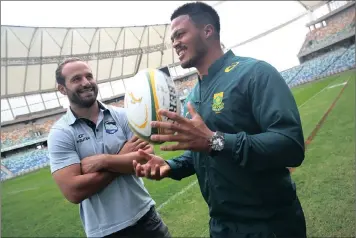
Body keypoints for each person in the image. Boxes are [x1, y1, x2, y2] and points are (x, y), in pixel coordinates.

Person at [133, 2, 307, 238]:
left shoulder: (255, 73)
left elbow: (290, 146)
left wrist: (215, 141)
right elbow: (201, 152)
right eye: (172, 38)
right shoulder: (194, 95)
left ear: (207, 31)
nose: (174, 43)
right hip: (221, 227)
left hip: (269, 225)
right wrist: (170, 166)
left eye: (180, 34)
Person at [47, 58, 171, 238]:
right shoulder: (60, 133)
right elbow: (73, 191)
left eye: (89, 76)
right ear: (62, 89)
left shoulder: (123, 115)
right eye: (76, 79)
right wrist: (123, 158)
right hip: (104, 232)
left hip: (146, 218)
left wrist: (103, 161)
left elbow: (146, 158)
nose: (86, 82)